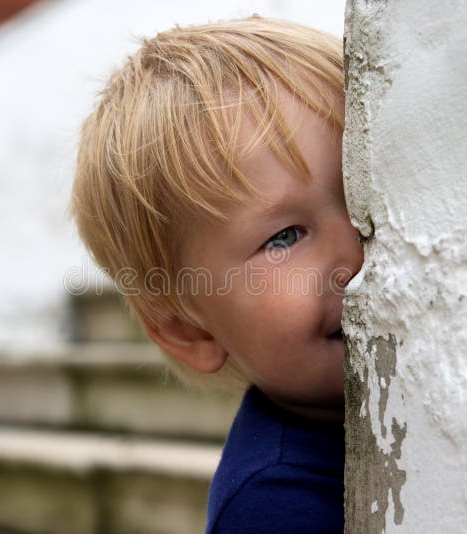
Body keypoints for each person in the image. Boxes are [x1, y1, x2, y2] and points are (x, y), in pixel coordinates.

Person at [70, 16, 364, 532]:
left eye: (363, 193)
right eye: (284, 237)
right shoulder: (273, 505)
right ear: (191, 328)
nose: (355, 254)